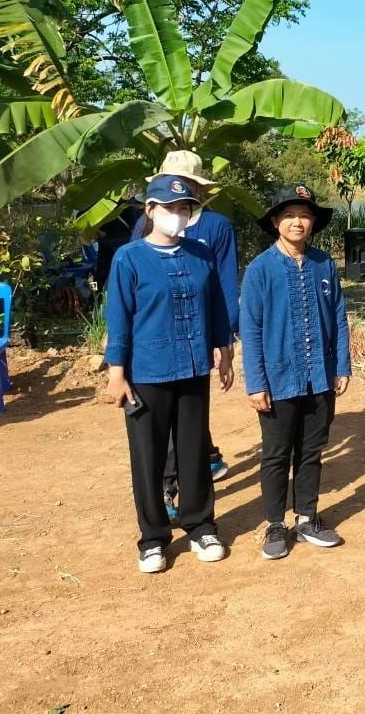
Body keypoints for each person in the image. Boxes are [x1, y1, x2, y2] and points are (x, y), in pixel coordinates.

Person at [105, 175, 234, 573]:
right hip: (147, 371)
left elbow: (215, 306)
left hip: (194, 367)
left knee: (194, 451)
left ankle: (200, 525)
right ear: (150, 211)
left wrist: (225, 350)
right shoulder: (129, 258)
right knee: (149, 456)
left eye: (184, 209)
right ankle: (153, 538)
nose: (177, 216)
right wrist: (116, 372)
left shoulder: (200, 253)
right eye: (169, 209)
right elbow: (119, 317)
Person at [241, 184, 351, 560]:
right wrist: (256, 382)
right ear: (275, 222)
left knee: (311, 451)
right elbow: (251, 329)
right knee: (276, 453)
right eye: (289, 215)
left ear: (314, 221)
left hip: (319, 375)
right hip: (277, 379)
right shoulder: (260, 270)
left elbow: (338, 317)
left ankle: (307, 517)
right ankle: (274, 523)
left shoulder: (323, 265)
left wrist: (341, 366)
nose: (297, 222)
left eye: (304, 215)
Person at [129, 151, 238, 515]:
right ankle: (165, 487)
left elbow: (224, 284)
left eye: (187, 186)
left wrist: (225, 340)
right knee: (159, 424)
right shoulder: (145, 226)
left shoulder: (216, 227)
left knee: (189, 419)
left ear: (197, 188)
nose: (179, 195)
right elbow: (130, 284)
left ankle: (190, 492)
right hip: (155, 342)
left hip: (197, 335)